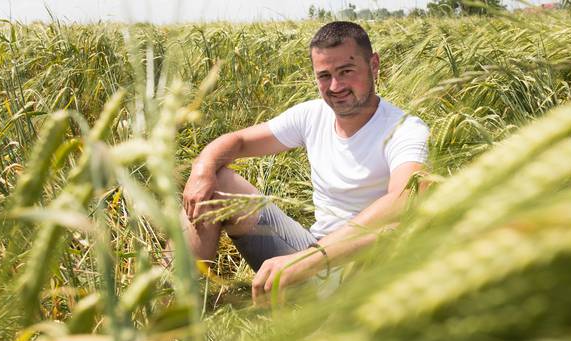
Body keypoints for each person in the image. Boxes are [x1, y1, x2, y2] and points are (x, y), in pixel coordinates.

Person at [181, 21, 429, 305]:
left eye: (346, 71)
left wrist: (313, 258)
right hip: (309, 256)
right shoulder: (312, 115)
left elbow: (406, 197)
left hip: (366, 269)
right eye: (324, 76)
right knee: (217, 184)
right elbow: (237, 141)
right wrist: (202, 169)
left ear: (374, 65)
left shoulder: (404, 129)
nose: (335, 86)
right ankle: (168, 308)